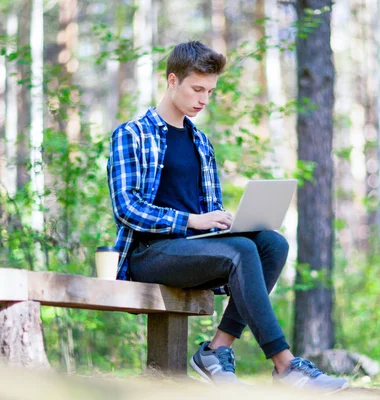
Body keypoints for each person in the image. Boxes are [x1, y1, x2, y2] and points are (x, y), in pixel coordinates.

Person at [107, 40, 349, 393]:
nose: (203, 99)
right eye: (197, 88)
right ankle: (285, 366)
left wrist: (223, 221)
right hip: (150, 254)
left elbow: (210, 208)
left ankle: (217, 349)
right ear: (172, 81)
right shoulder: (132, 134)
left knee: (271, 244)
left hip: (196, 250)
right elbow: (127, 208)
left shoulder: (201, 142)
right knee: (241, 251)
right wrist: (192, 221)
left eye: (210, 91)